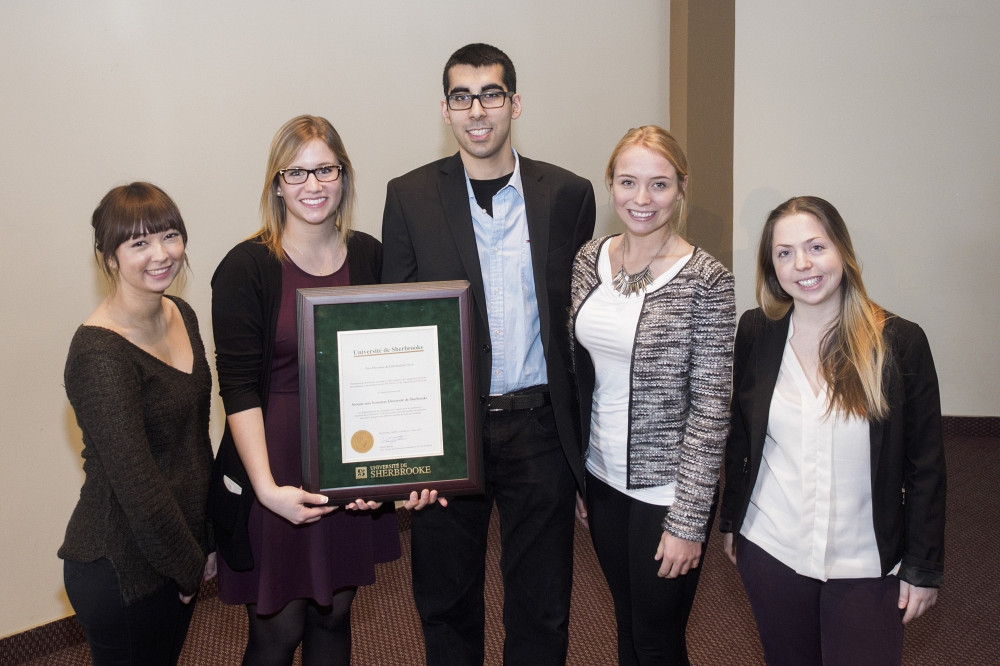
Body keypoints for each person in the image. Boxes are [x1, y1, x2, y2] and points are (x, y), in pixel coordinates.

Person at [381, 43, 596, 665]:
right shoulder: (410, 195)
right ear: (445, 109)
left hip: (540, 429)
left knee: (543, 604)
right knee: (445, 601)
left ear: (515, 103)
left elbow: (576, 326)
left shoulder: (567, 194)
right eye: (461, 96)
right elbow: (399, 327)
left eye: (491, 94)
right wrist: (409, 454)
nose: (477, 110)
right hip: (451, 432)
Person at [719, 196, 946, 665]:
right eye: (784, 253)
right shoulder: (756, 332)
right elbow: (741, 436)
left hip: (865, 562)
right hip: (772, 547)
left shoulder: (899, 342)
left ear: (842, 250)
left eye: (815, 247)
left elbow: (925, 467)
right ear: (771, 267)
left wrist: (923, 567)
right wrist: (731, 522)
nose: (802, 264)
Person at [209, 115, 400, 666]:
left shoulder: (370, 255)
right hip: (275, 461)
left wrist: (383, 473)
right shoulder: (247, 267)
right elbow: (238, 388)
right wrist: (266, 489)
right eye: (296, 173)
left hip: (349, 456)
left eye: (325, 170)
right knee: (278, 630)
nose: (312, 185)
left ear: (344, 176)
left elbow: (389, 369)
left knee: (335, 615)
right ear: (276, 184)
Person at [569, 126, 735, 665]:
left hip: (667, 491)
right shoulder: (587, 260)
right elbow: (579, 375)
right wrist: (579, 473)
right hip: (601, 477)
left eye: (659, 184)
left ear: (682, 188)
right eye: (628, 182)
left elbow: (711, 409)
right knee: (626, 626)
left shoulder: (707, 280)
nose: (642, 200)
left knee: (658, 641)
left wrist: (688, 522)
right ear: (610, 184)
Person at [60, 182, 214, 665]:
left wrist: (206, 536)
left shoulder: (180, 314)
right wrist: (189, 568)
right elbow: (139, 488)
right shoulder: (98, 354)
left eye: (169, 235)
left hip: (174, 550)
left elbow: (194, 441)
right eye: (139, 243)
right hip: (119, 567)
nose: (161, 254)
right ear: (109, 257)